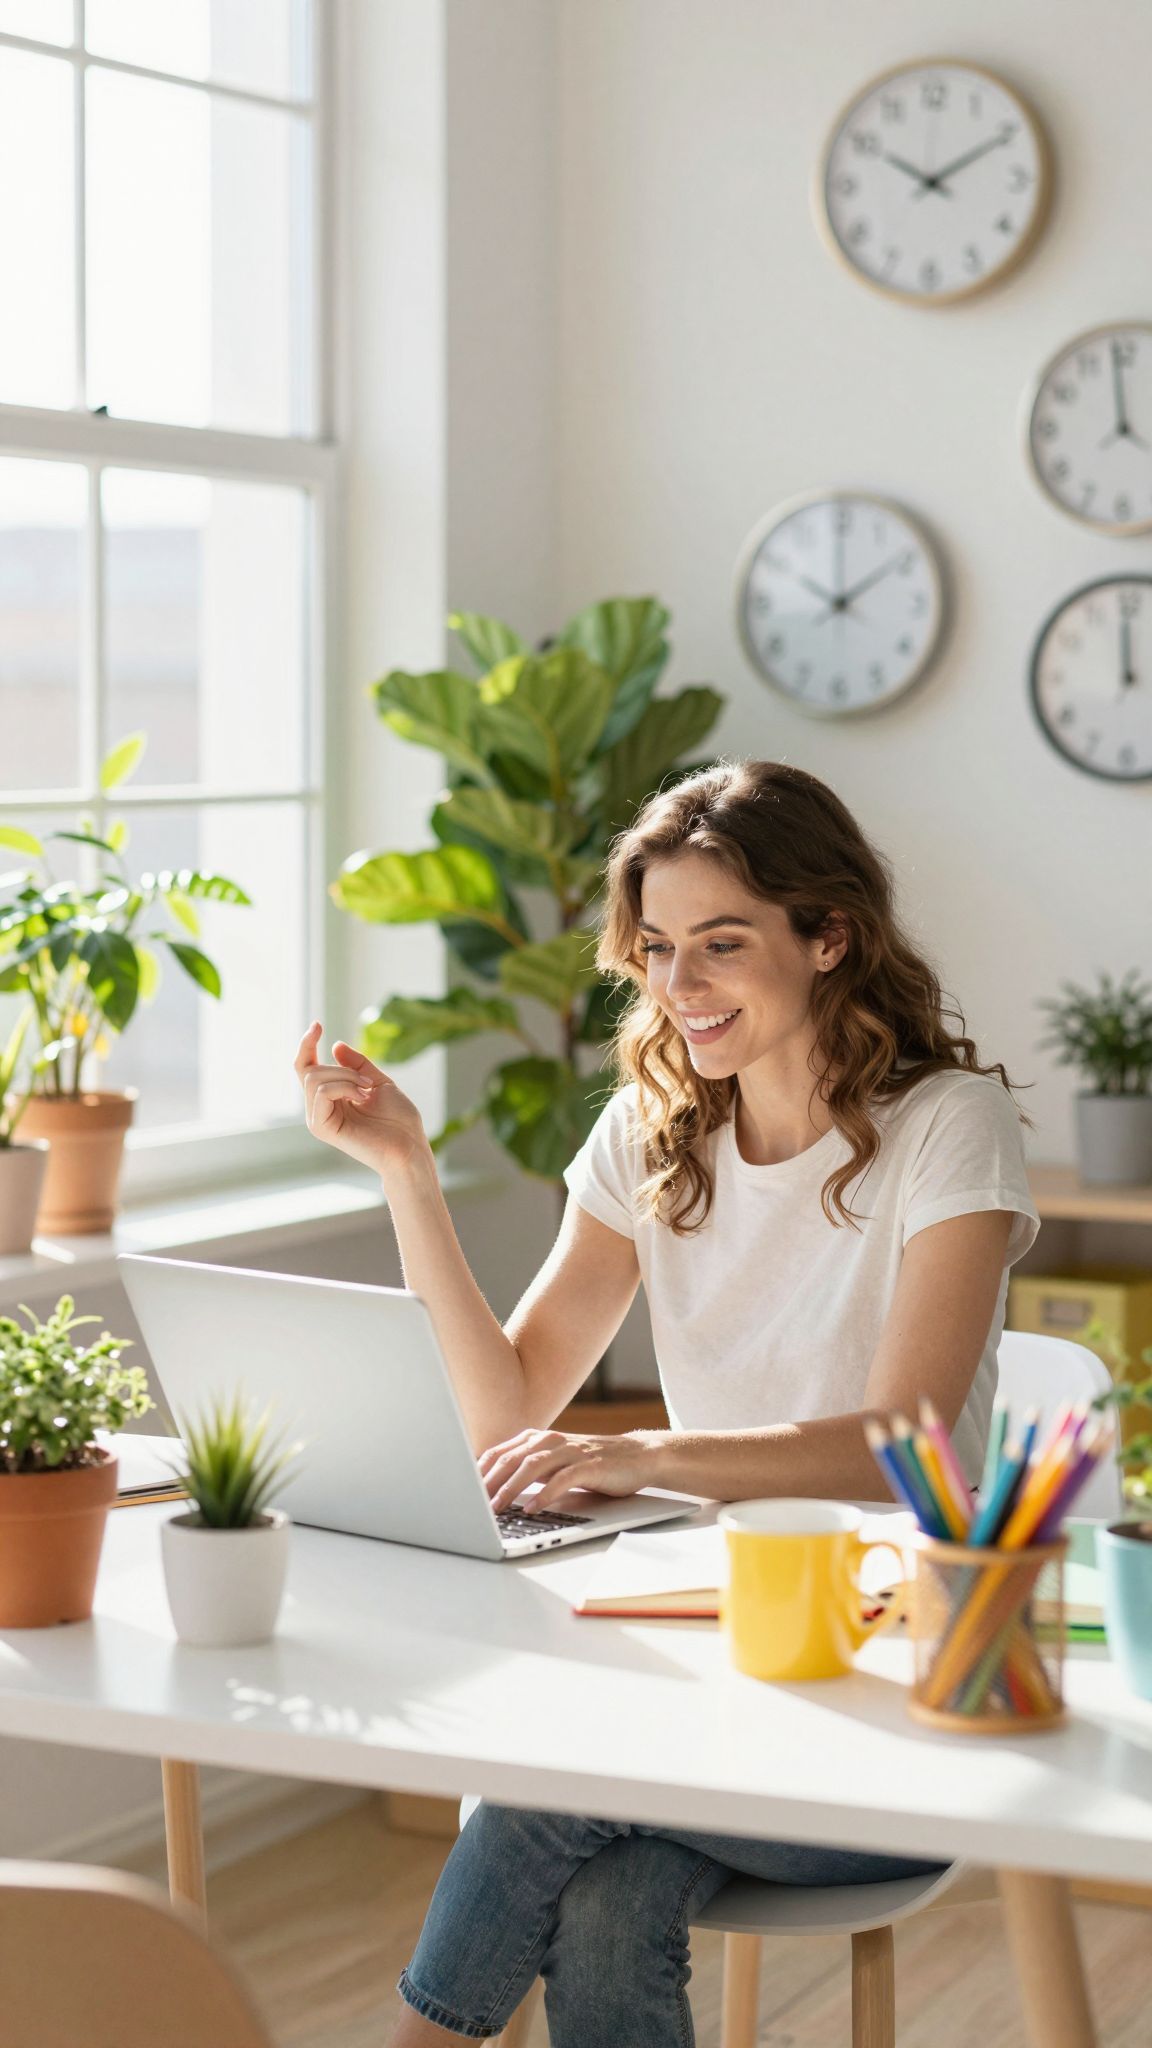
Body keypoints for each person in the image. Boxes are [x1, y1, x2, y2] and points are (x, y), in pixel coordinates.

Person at [295, 758, 1040, 2047]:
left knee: (547, 1789)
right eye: (656, 950)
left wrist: (644, 1455)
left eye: (721, 944)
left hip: (895, 1693)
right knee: (607, 1900)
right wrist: (407, 1174)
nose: (680, 988)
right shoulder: (652, 1136)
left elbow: (899, 1448)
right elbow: (513, 1401)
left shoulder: (949, 1127)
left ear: (829, 937)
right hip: (710, 1669)